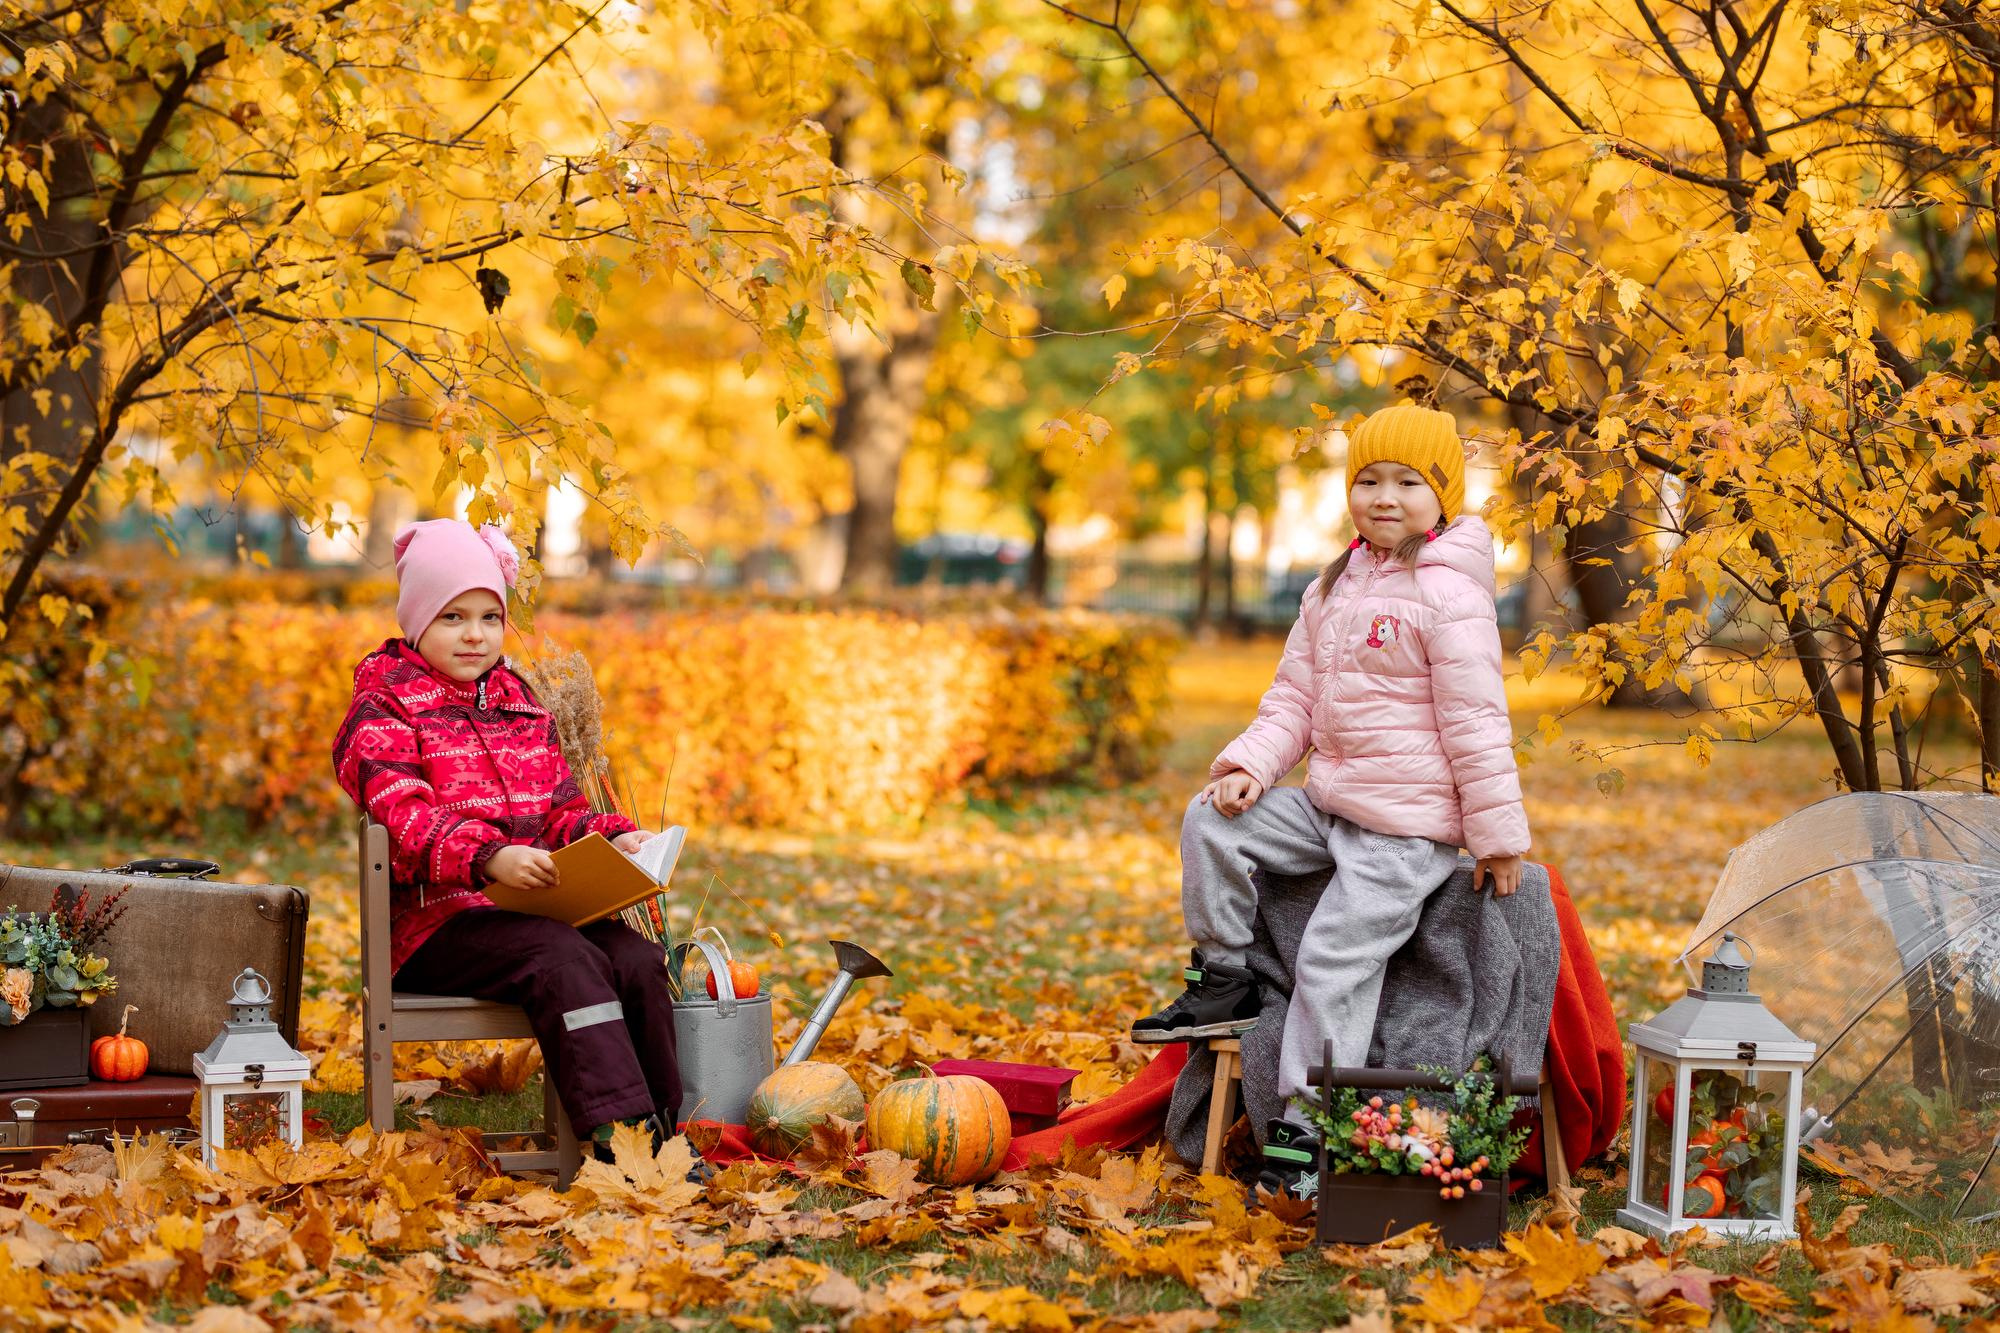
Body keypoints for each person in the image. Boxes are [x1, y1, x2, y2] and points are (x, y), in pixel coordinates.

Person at [1129, 402, 1530, 1196]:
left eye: (1407, 482)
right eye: (1368, 480)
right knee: (1213, 816)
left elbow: (1478, 720)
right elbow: (1294, 699)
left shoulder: (1448, 591)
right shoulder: (1335, 584)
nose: (1385, 496)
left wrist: (1497, 835)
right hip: (1331, 805)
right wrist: (1251, 763)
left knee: (1329, 960)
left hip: (1403, 832)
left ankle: (1307, 1132)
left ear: (1442, 495)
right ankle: (1224, 974)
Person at [332, 518, 685, 1162]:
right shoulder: (384, 710)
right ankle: (616, 1142)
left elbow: (559, 809)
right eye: (453, 617)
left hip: (528, 911)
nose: (475, 635)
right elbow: (405, 818)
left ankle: (665, 1133)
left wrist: (614, 840)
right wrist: (489, 856)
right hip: (433, 928)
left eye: (489, 617)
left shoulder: (519, 704)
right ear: (417, 623)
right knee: (561, 958)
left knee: (634, 957)